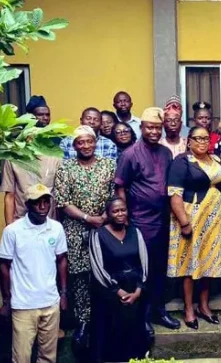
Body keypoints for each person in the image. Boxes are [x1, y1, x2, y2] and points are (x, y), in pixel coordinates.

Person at [115, 107, 181, 334]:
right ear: (141, 128)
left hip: (163, 221)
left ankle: (160, 311)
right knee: (142, 271)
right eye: (149, 127)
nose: (154, 131)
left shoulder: (166, 153)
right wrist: (125, 221)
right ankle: (142, 317)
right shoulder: (130, 154)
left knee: (160, 268)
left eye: (157, 128)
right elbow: (120, 187)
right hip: (140, 223)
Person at [54, 125, 116, 345]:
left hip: (104, 228)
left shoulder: (109, 165)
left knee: (105, 275)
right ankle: (83, 322)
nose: (86, 146)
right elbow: (62, 202)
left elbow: (113, 197)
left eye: (89, 141)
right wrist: (88, 219)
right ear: (75, 146)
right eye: (81, 142)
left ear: (95, 142)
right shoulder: (65, 168)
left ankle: (104, 321)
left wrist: (103, 217)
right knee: (79, 277)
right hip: (75, 229)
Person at [0, 184, 68, 363]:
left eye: (46, 202)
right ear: (28, 205)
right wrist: (6, 300)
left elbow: (61, 260)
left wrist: (63, 294)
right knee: (21, 357)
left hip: (51, 303)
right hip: (23, 305)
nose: (43, 207)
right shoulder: (13, 231)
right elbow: (4, 266)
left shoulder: (56, 228)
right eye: (38, 203)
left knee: (48, 357)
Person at [167, 126, 221, 330]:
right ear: (189, 141)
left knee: (208, 262)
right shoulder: (182, 161)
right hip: (191, 217)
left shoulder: (216, 159)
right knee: (190, 264)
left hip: (213, 219)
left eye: (205, 138)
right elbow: (174, 195)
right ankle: (189, 309)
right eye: (197, 138)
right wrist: (184, 222)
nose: (202, 142)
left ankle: (204, 305)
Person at [89, 197, 150, 362]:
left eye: (123, 210)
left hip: (135, 289)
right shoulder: (98, 235)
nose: (120, 214)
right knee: (113, 335)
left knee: (133, 335)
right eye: (115, 211)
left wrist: (137, 291)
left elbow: (143, 263)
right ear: (108, 214)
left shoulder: (135, 233)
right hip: (110, 292)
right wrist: (119, 292)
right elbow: (98, 268)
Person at [2, 151, 60, 224]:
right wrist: (9, 227)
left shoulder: (55, 158)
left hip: (48, 223)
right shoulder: (13, 158)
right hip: (21, 222)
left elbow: (59, 196)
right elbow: (10, 195)